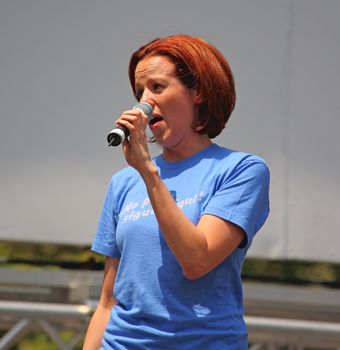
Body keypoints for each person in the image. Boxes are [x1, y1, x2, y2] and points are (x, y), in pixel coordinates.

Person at [83, 34, 270, 350]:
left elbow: (196, 261)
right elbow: (107, 301)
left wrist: (150, 175)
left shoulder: (241, 170)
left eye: (157, 87)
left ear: (197, 92)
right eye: (139, 91)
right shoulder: (123, 183)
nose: (143, 102)